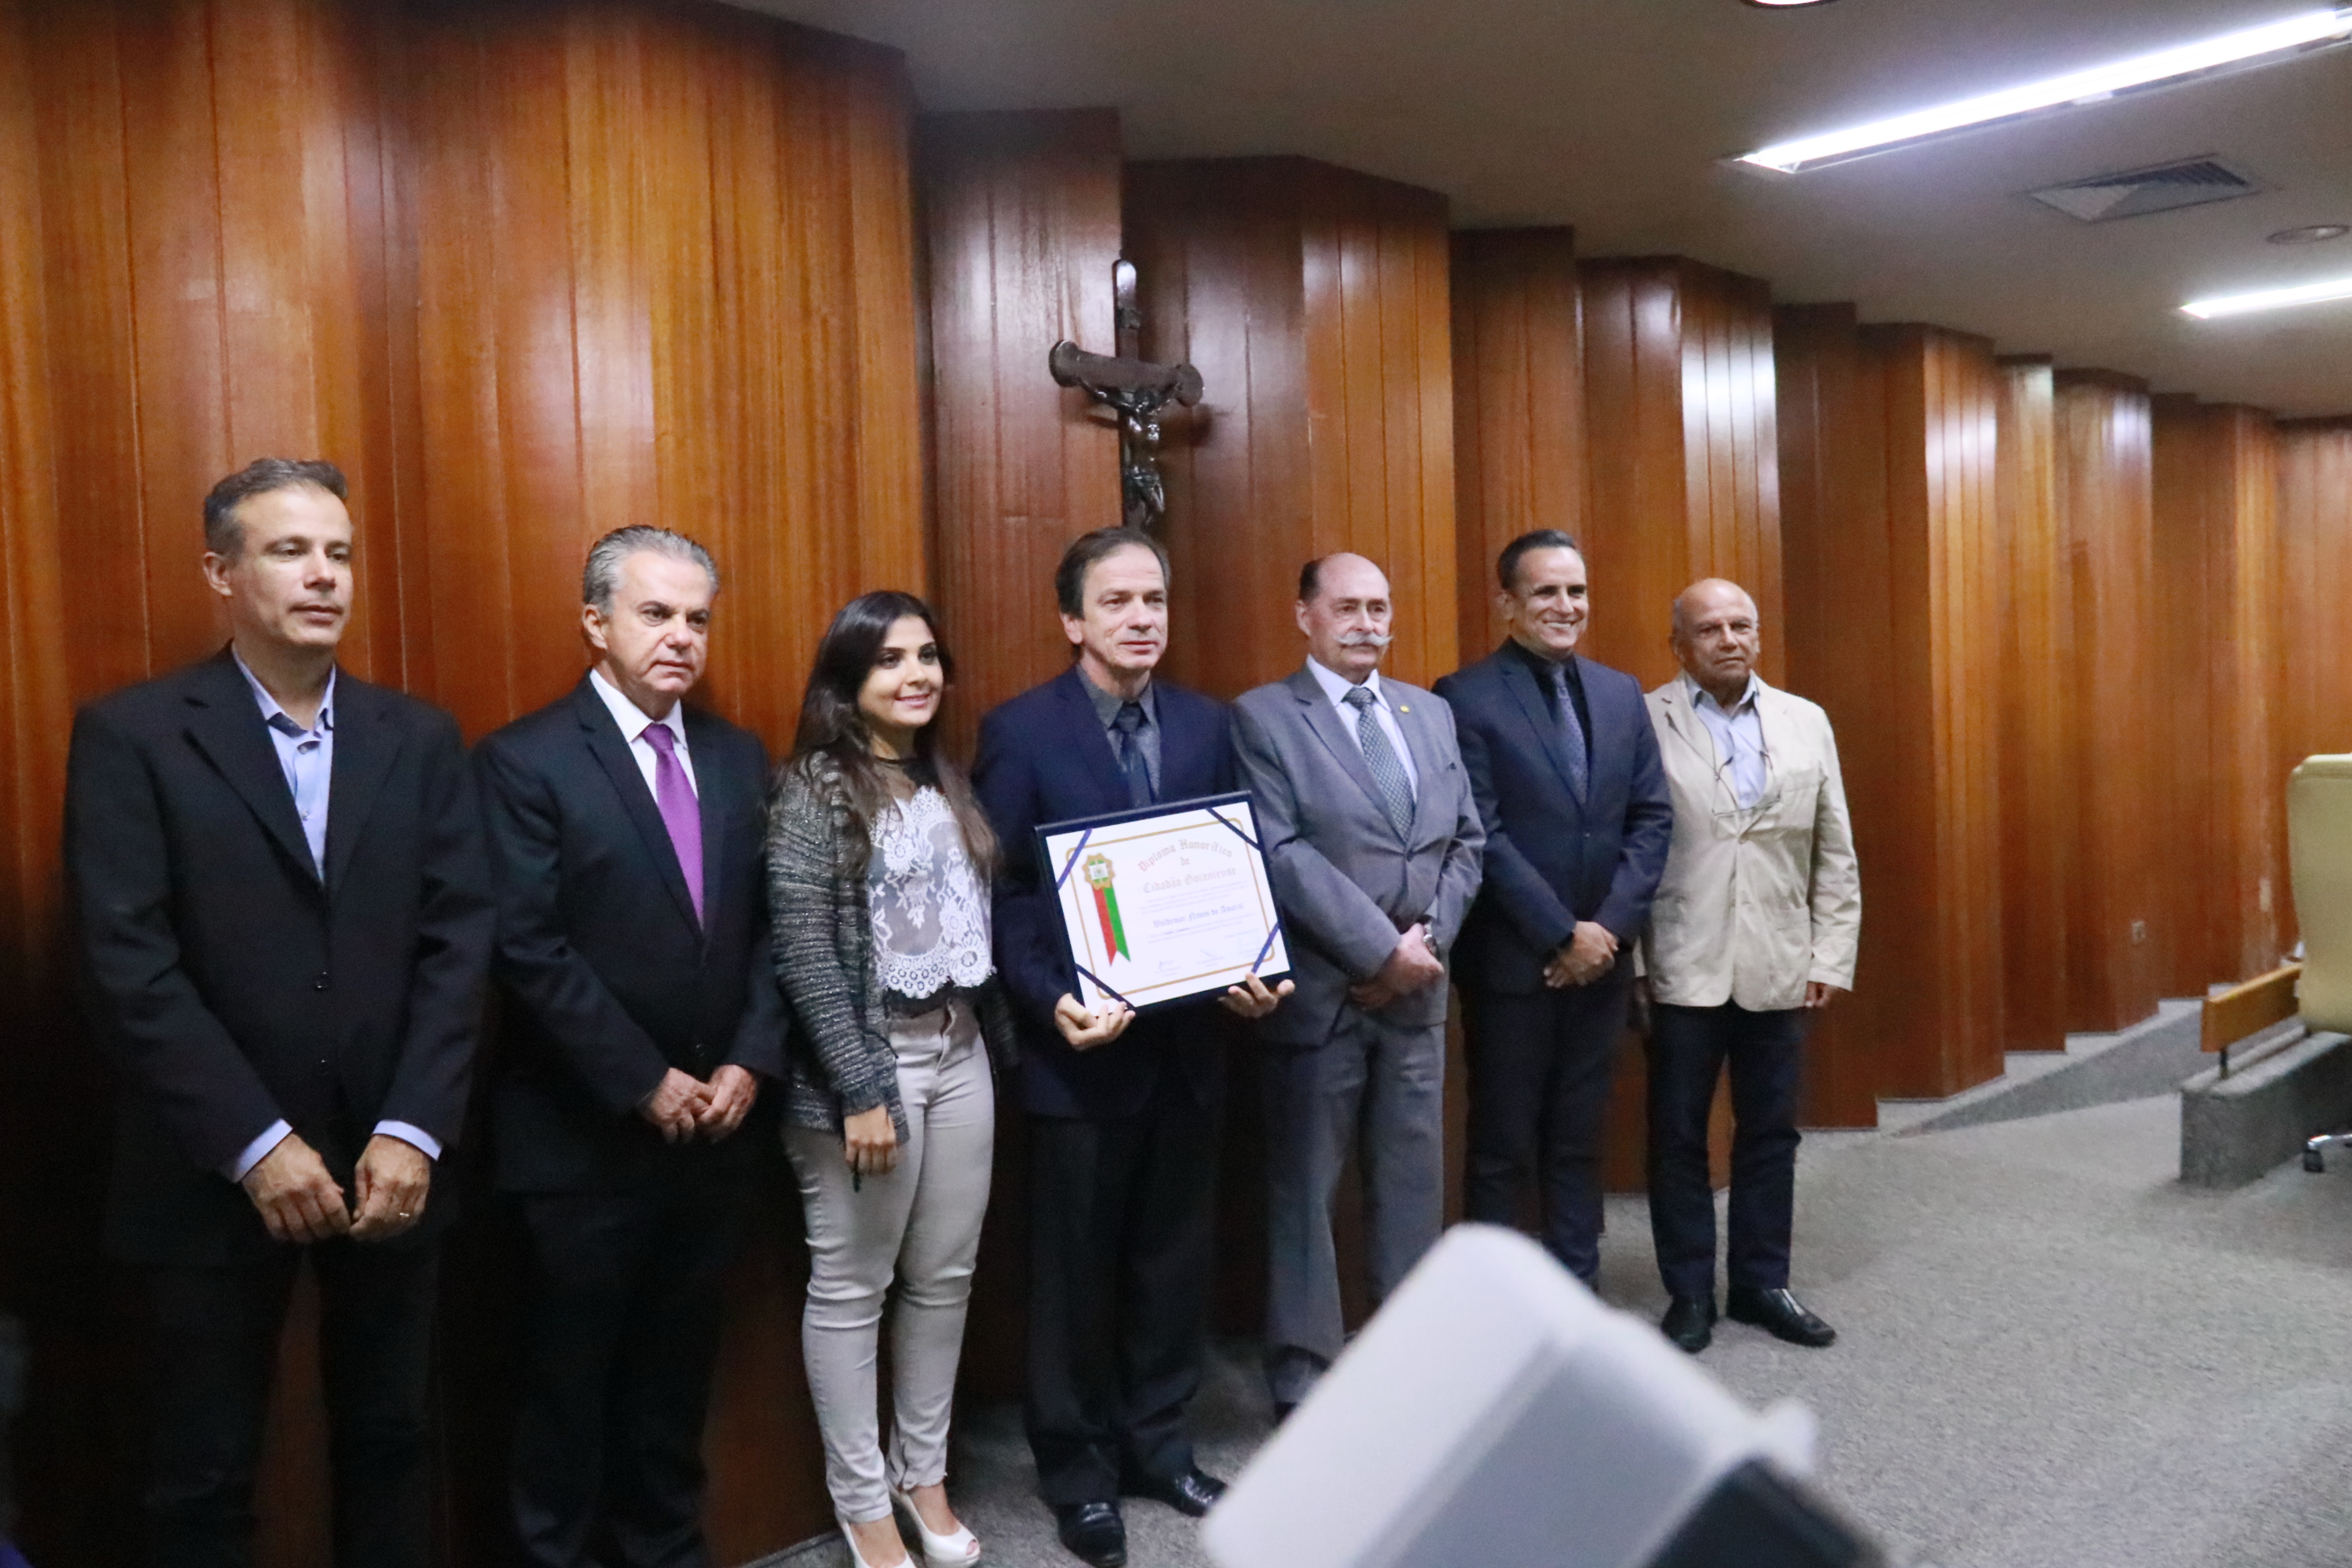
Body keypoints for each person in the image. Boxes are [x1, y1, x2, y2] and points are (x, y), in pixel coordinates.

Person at [64, 458, 493, 1568]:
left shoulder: (418, 737)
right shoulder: (134, 735)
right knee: (202, 1470)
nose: (323, 575)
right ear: (221, 572)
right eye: (289, 550)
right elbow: (127, 963)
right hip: (211, 1168)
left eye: (339, 553)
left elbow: (461, 944)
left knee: (393, 1443)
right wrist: (256, 1144)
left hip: (391, 1162)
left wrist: (415, 1127)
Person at [974, 527, 1289, 1568]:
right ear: (1073, 620)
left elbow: (1233, 869)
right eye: (1116, 601)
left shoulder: (1206, 723)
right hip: (1081, 1050)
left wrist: (1256, 967)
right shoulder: (1021, 731)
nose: (1141, 618)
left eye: (1153, 599)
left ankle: (1159, 1445)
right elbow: (1005, 895)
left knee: (1172, 1260)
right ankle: (1078, 1473)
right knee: (1073, 1274)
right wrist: (1051, 1000)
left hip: (1192, 1046)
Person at [475, 526, 788, 1568]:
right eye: (656, 614)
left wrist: (750, 1057)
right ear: (595, 623)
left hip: (714, 1142)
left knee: (671, 1395)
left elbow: (770, 930)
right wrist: (642, 1079)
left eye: (698, 618)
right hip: (581, 1147)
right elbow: (528, 949)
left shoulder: (739, 758)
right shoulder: (524, 761)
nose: (681, 637)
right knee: (563, 1400)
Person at [765, 594, 1019, 1568]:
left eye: (926, 656)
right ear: (847, 680)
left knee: (945, 1280)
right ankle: (863, 1504)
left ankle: (924, 1476)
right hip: (867, 1072)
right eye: (889, 660)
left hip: (960, 1051)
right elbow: (804, 953)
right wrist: (861, 1089)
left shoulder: (944, 776)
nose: (915, 675)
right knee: (852, 1286)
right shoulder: (814, 787)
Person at [1231, 553, 1483, 1418]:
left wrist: (1425, 944)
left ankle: (1411, 1365)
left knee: (1412, 1185)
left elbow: (1467, 841)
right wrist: (1379, 952)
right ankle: (1305, 1378)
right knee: (1305, 1192)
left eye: (1379, 607)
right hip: (1323, 998)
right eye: (1346, 607)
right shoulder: (1265, 717)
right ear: (1305, 615)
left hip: (1419, 993)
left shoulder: (1430, 712)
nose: (1367, 623)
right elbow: (1279, 850)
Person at [1432, 530, 1672, 1286]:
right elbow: (1483, 832)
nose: (1566, 606)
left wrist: (1607, 932)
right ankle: (1494, 1308)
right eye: (1546, 591)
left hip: (1603, 959)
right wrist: (1561, 934)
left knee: (1578, 1138)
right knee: (1502, 1144)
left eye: (1577, 591)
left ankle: (1576, 1291)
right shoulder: (1464, 696)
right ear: (1507, 603)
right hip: (1515, 964)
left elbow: (1651, 818)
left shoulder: (1620, 692)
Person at [1640, 579, 1859, 1353]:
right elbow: (1632, 849)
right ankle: (1690, 1291)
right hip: (1682, 960)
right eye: (1710, 629)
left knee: (1770, 1131)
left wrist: (1831, 952)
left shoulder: (1806, 721)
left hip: (1780, 960)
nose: (1729, 639)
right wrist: (1636, 962)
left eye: (1742, 625)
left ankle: (1762, 1282)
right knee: (1678, 1135)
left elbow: (1834, 849)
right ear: (1679, 645)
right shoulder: (1645, 721)